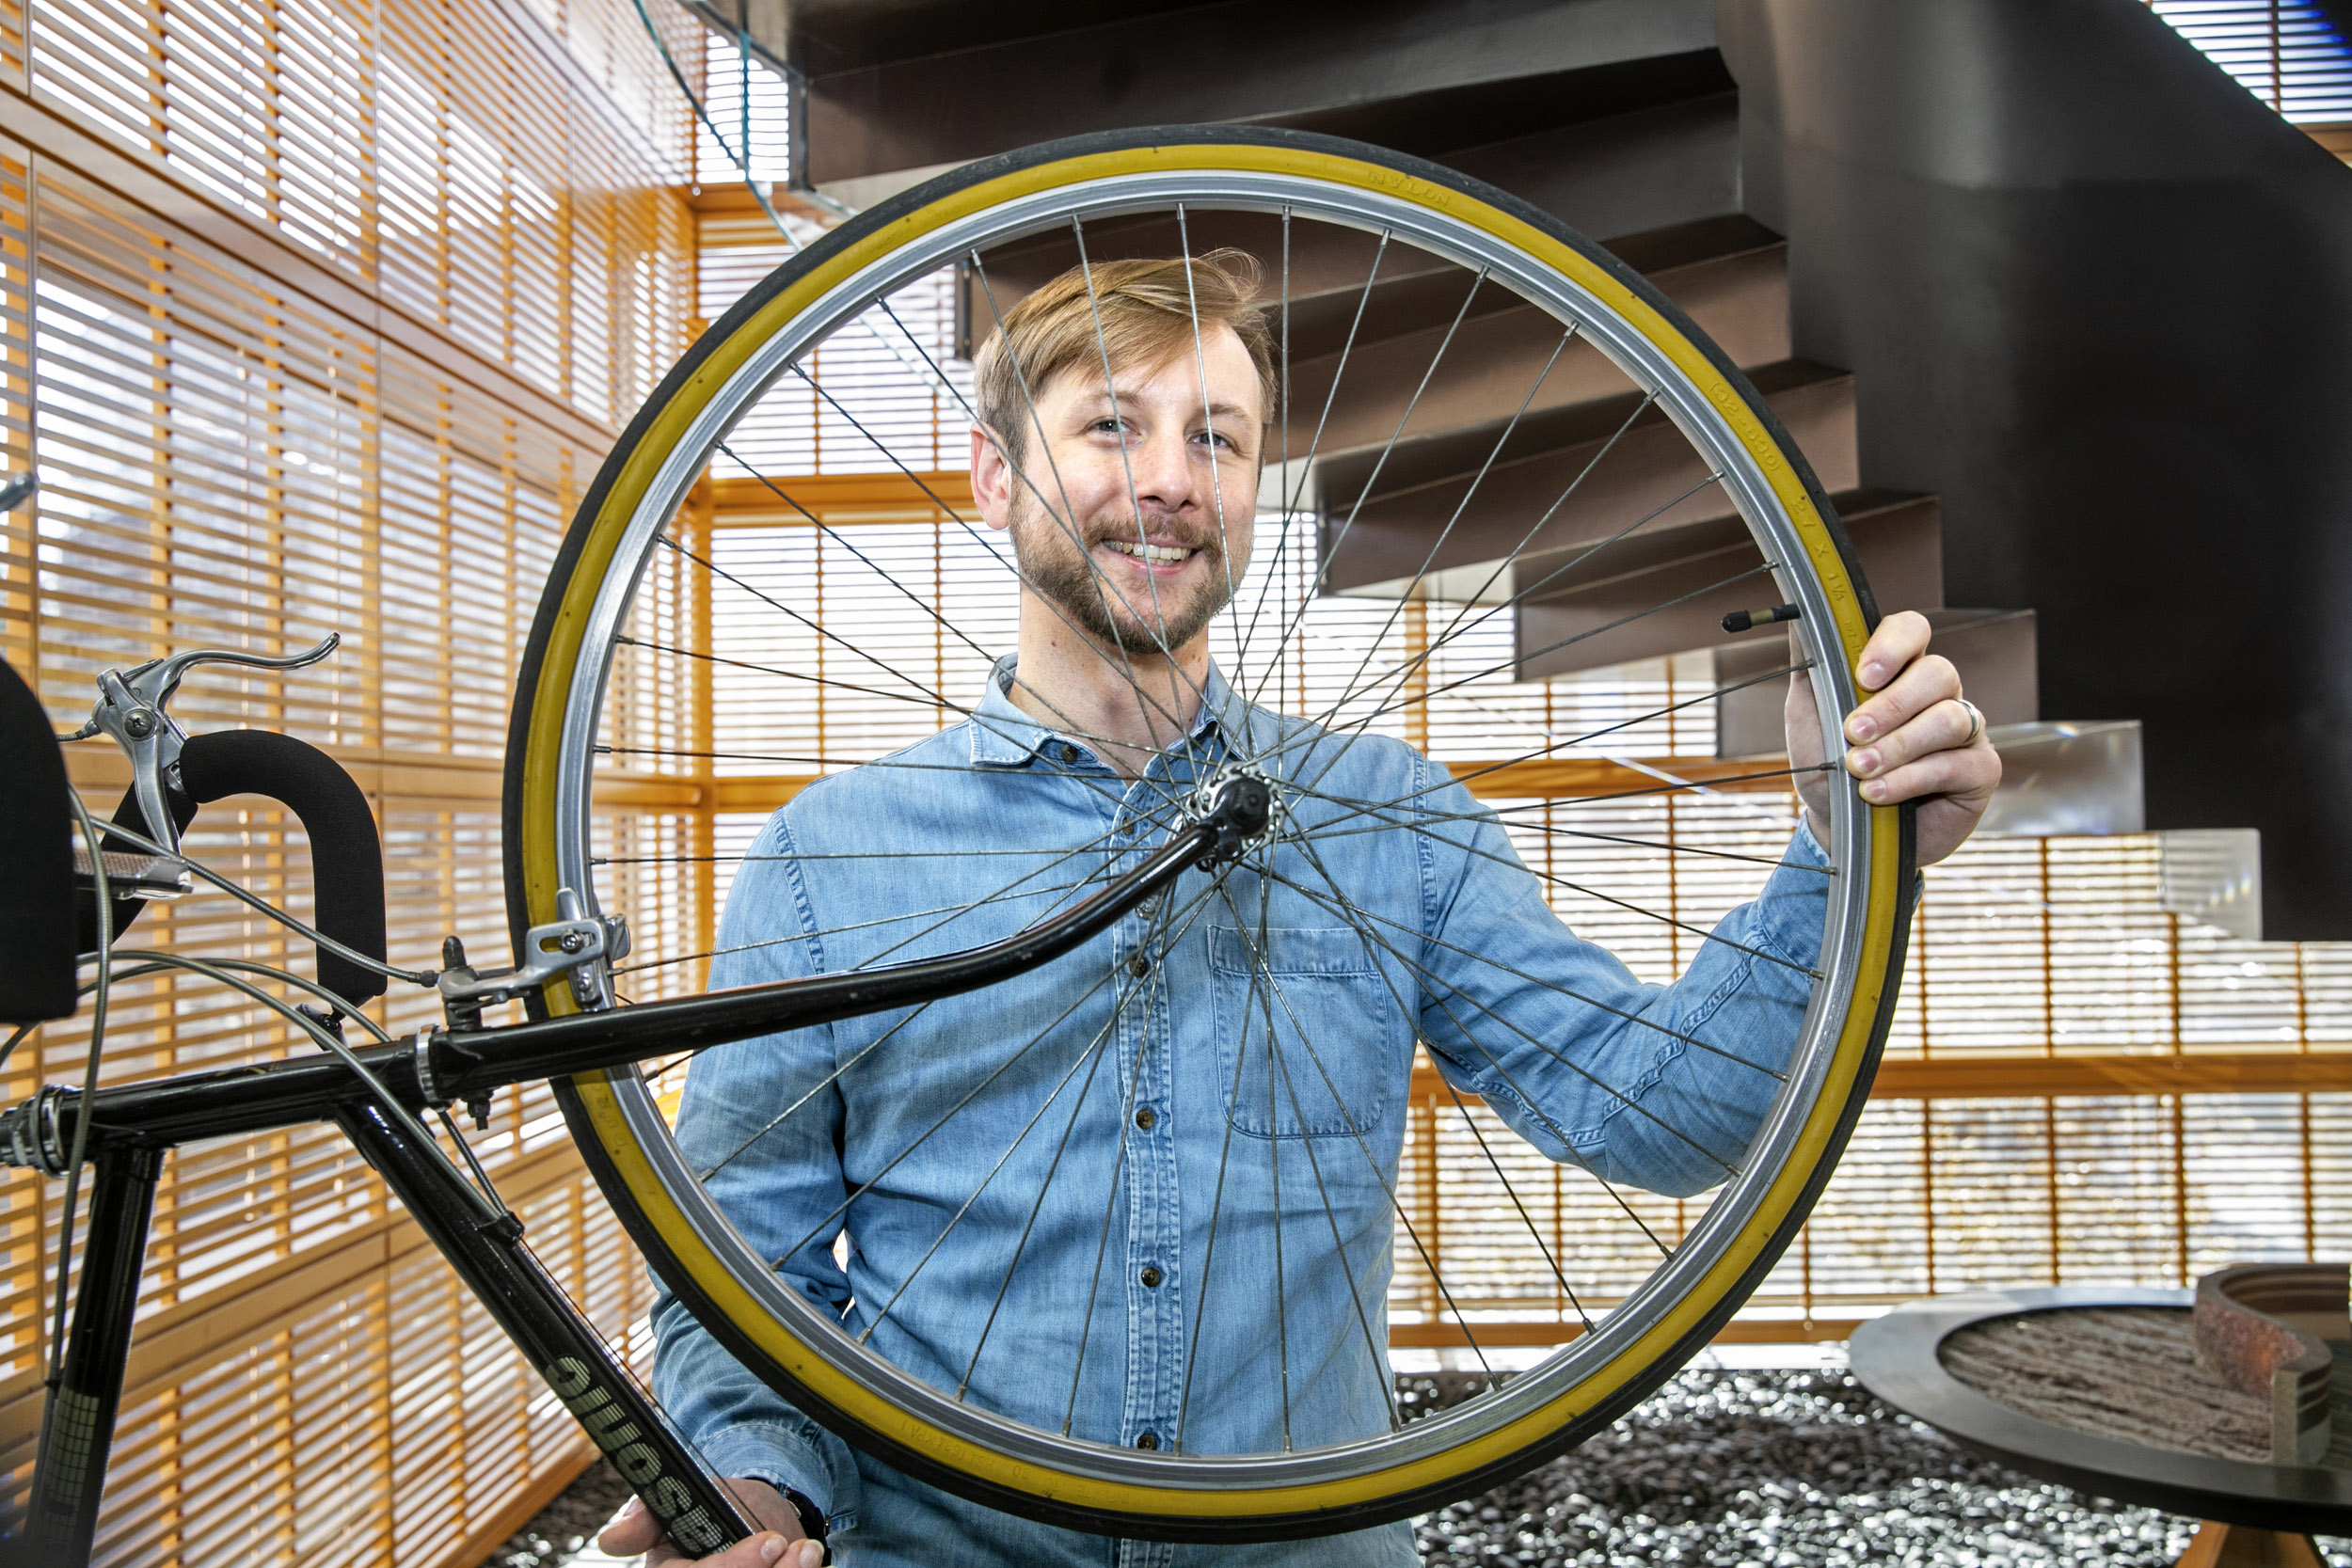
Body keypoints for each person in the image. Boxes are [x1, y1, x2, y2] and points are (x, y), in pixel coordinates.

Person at [600, 253, 2001, 1568]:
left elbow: (1666, 1112)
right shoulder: (829, 854)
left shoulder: (1391, 821)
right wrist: (753, 1483)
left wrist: (1844, 850)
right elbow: (744, 1265)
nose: (1168, 484)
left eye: (1217, 438)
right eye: (1110, 428)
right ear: (989, 476)